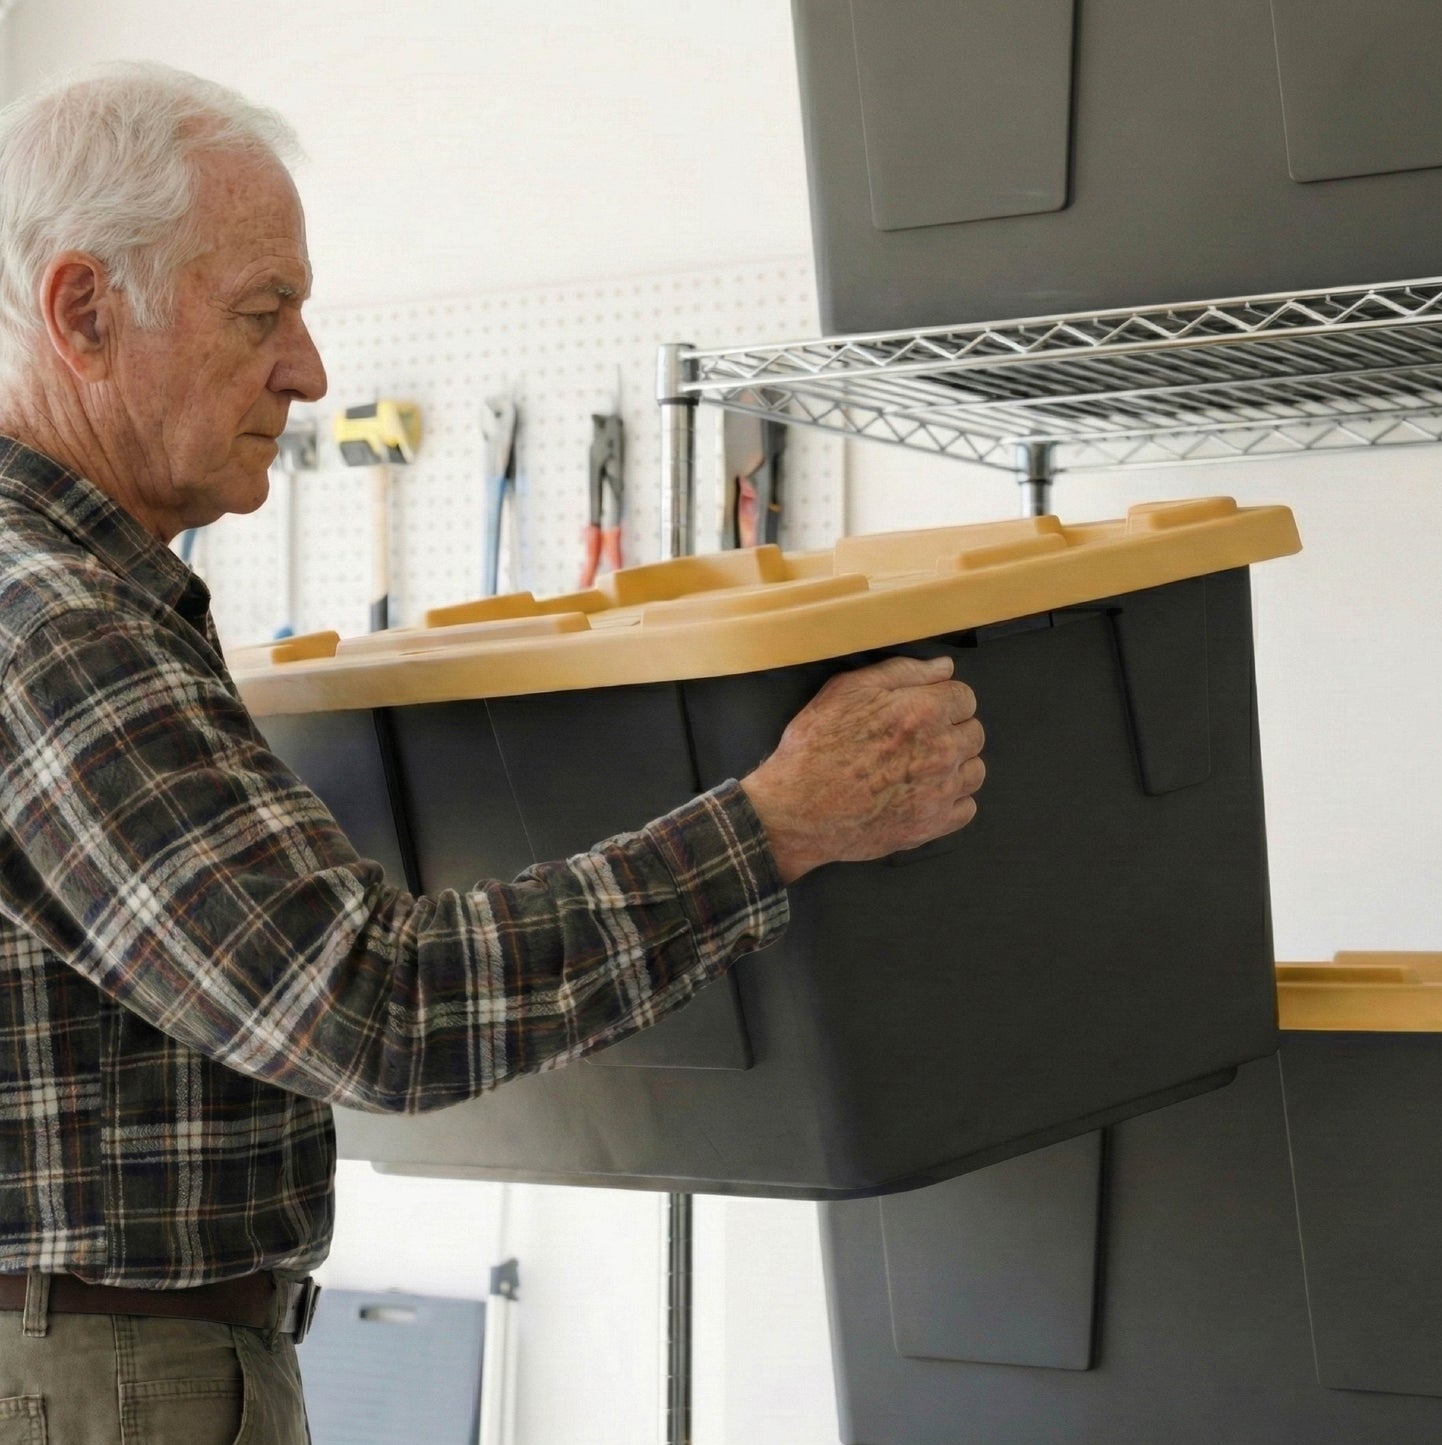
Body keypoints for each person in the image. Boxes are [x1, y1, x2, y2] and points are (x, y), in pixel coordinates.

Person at [0, 62, 985, 1441]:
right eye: (260, 311)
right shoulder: (51, 625)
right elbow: (371, 1006)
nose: (308, 367)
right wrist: (774, 824)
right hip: (104, 1380)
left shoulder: (82, 604)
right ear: (86, 314)